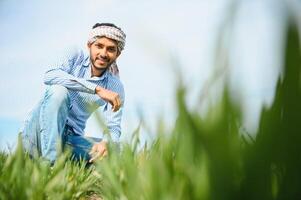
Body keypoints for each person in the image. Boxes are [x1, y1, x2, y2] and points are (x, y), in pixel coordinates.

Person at [19, 23, 126, 164]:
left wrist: (106, 143)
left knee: (117, 149)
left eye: (111, 49)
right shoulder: (75, 56)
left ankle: (74, 165)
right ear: (89, 45)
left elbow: (113, 126)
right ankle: (50, 167)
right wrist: (96, 89)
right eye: (99, 46)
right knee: (59, 91)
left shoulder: (115, 86)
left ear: (117, 54)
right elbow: (50, 75)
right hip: (37, 134)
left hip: (70, 140)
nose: (103, 54)